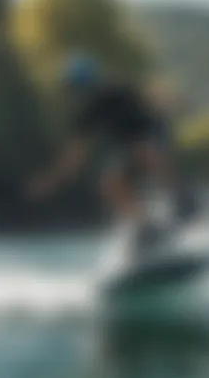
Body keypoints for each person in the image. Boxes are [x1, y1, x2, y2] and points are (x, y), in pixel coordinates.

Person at [28, 54, 194, 249]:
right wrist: (49, 182)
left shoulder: (115, 91)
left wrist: (176, 103)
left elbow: (151, 95)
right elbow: (75, 156)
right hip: (130, 148)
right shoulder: (88, 113)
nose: (77, 95)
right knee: (109, 182)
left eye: (76, 88)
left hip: (153, 133)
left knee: (142, 149)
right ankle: (146, 227)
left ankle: (183, 198)